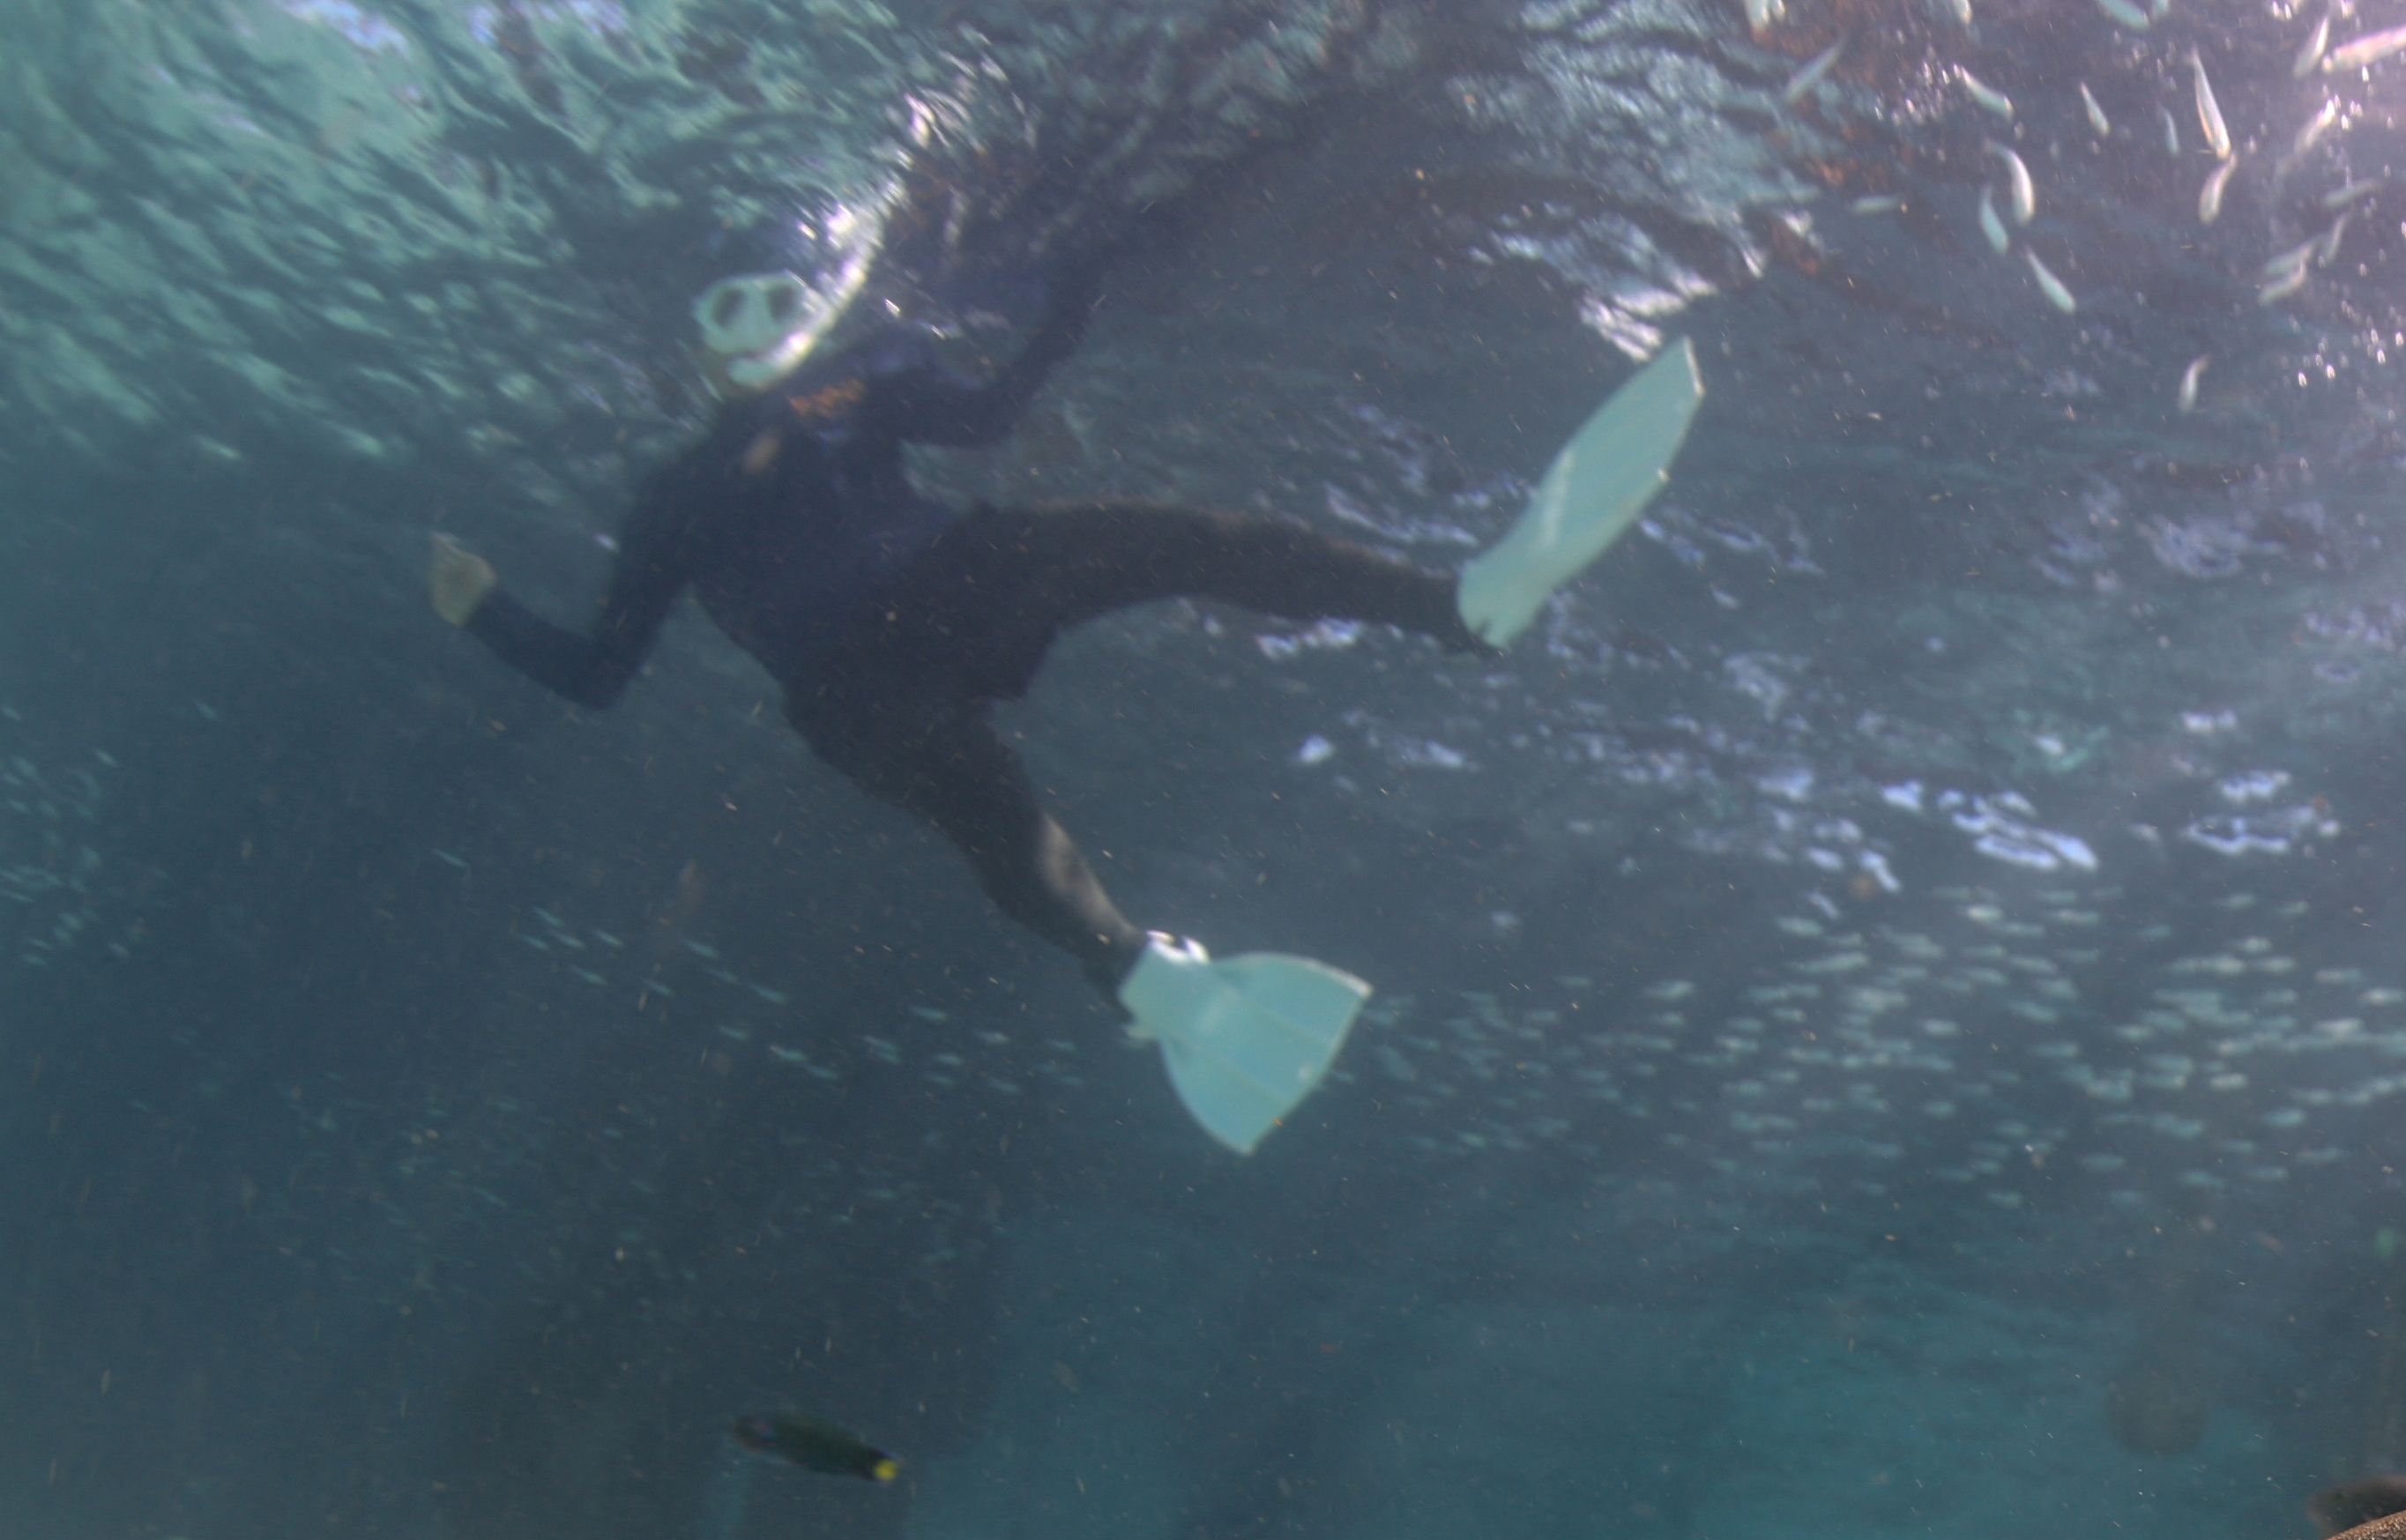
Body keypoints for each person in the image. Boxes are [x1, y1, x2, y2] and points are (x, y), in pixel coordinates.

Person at [435, 229, 1702, 1150]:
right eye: (735, 306)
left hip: (951, 582)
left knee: (1183, 543)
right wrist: (483, 609)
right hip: (852, 679)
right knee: (996, 811)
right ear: (693, 348)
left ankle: (1455, 606)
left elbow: (987, 415)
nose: (765, 318)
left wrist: (1073, 296)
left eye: (776, 293)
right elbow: (601, 672)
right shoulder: (674, 496)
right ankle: (1144, 978)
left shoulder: (854, 381)